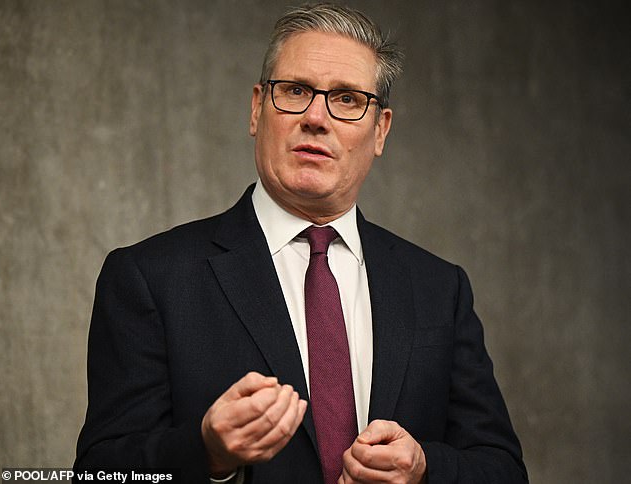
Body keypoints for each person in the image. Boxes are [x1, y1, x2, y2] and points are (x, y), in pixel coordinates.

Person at [75, 3, 528, 483]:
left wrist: (424, 469)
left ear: (380, 131)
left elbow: (502, 470)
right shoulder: (150, 277)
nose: (316, 117)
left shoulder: (439, 288)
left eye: (348, 99)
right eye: (295, 91)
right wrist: (206, 451)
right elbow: (100, 472)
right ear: (257, 109)